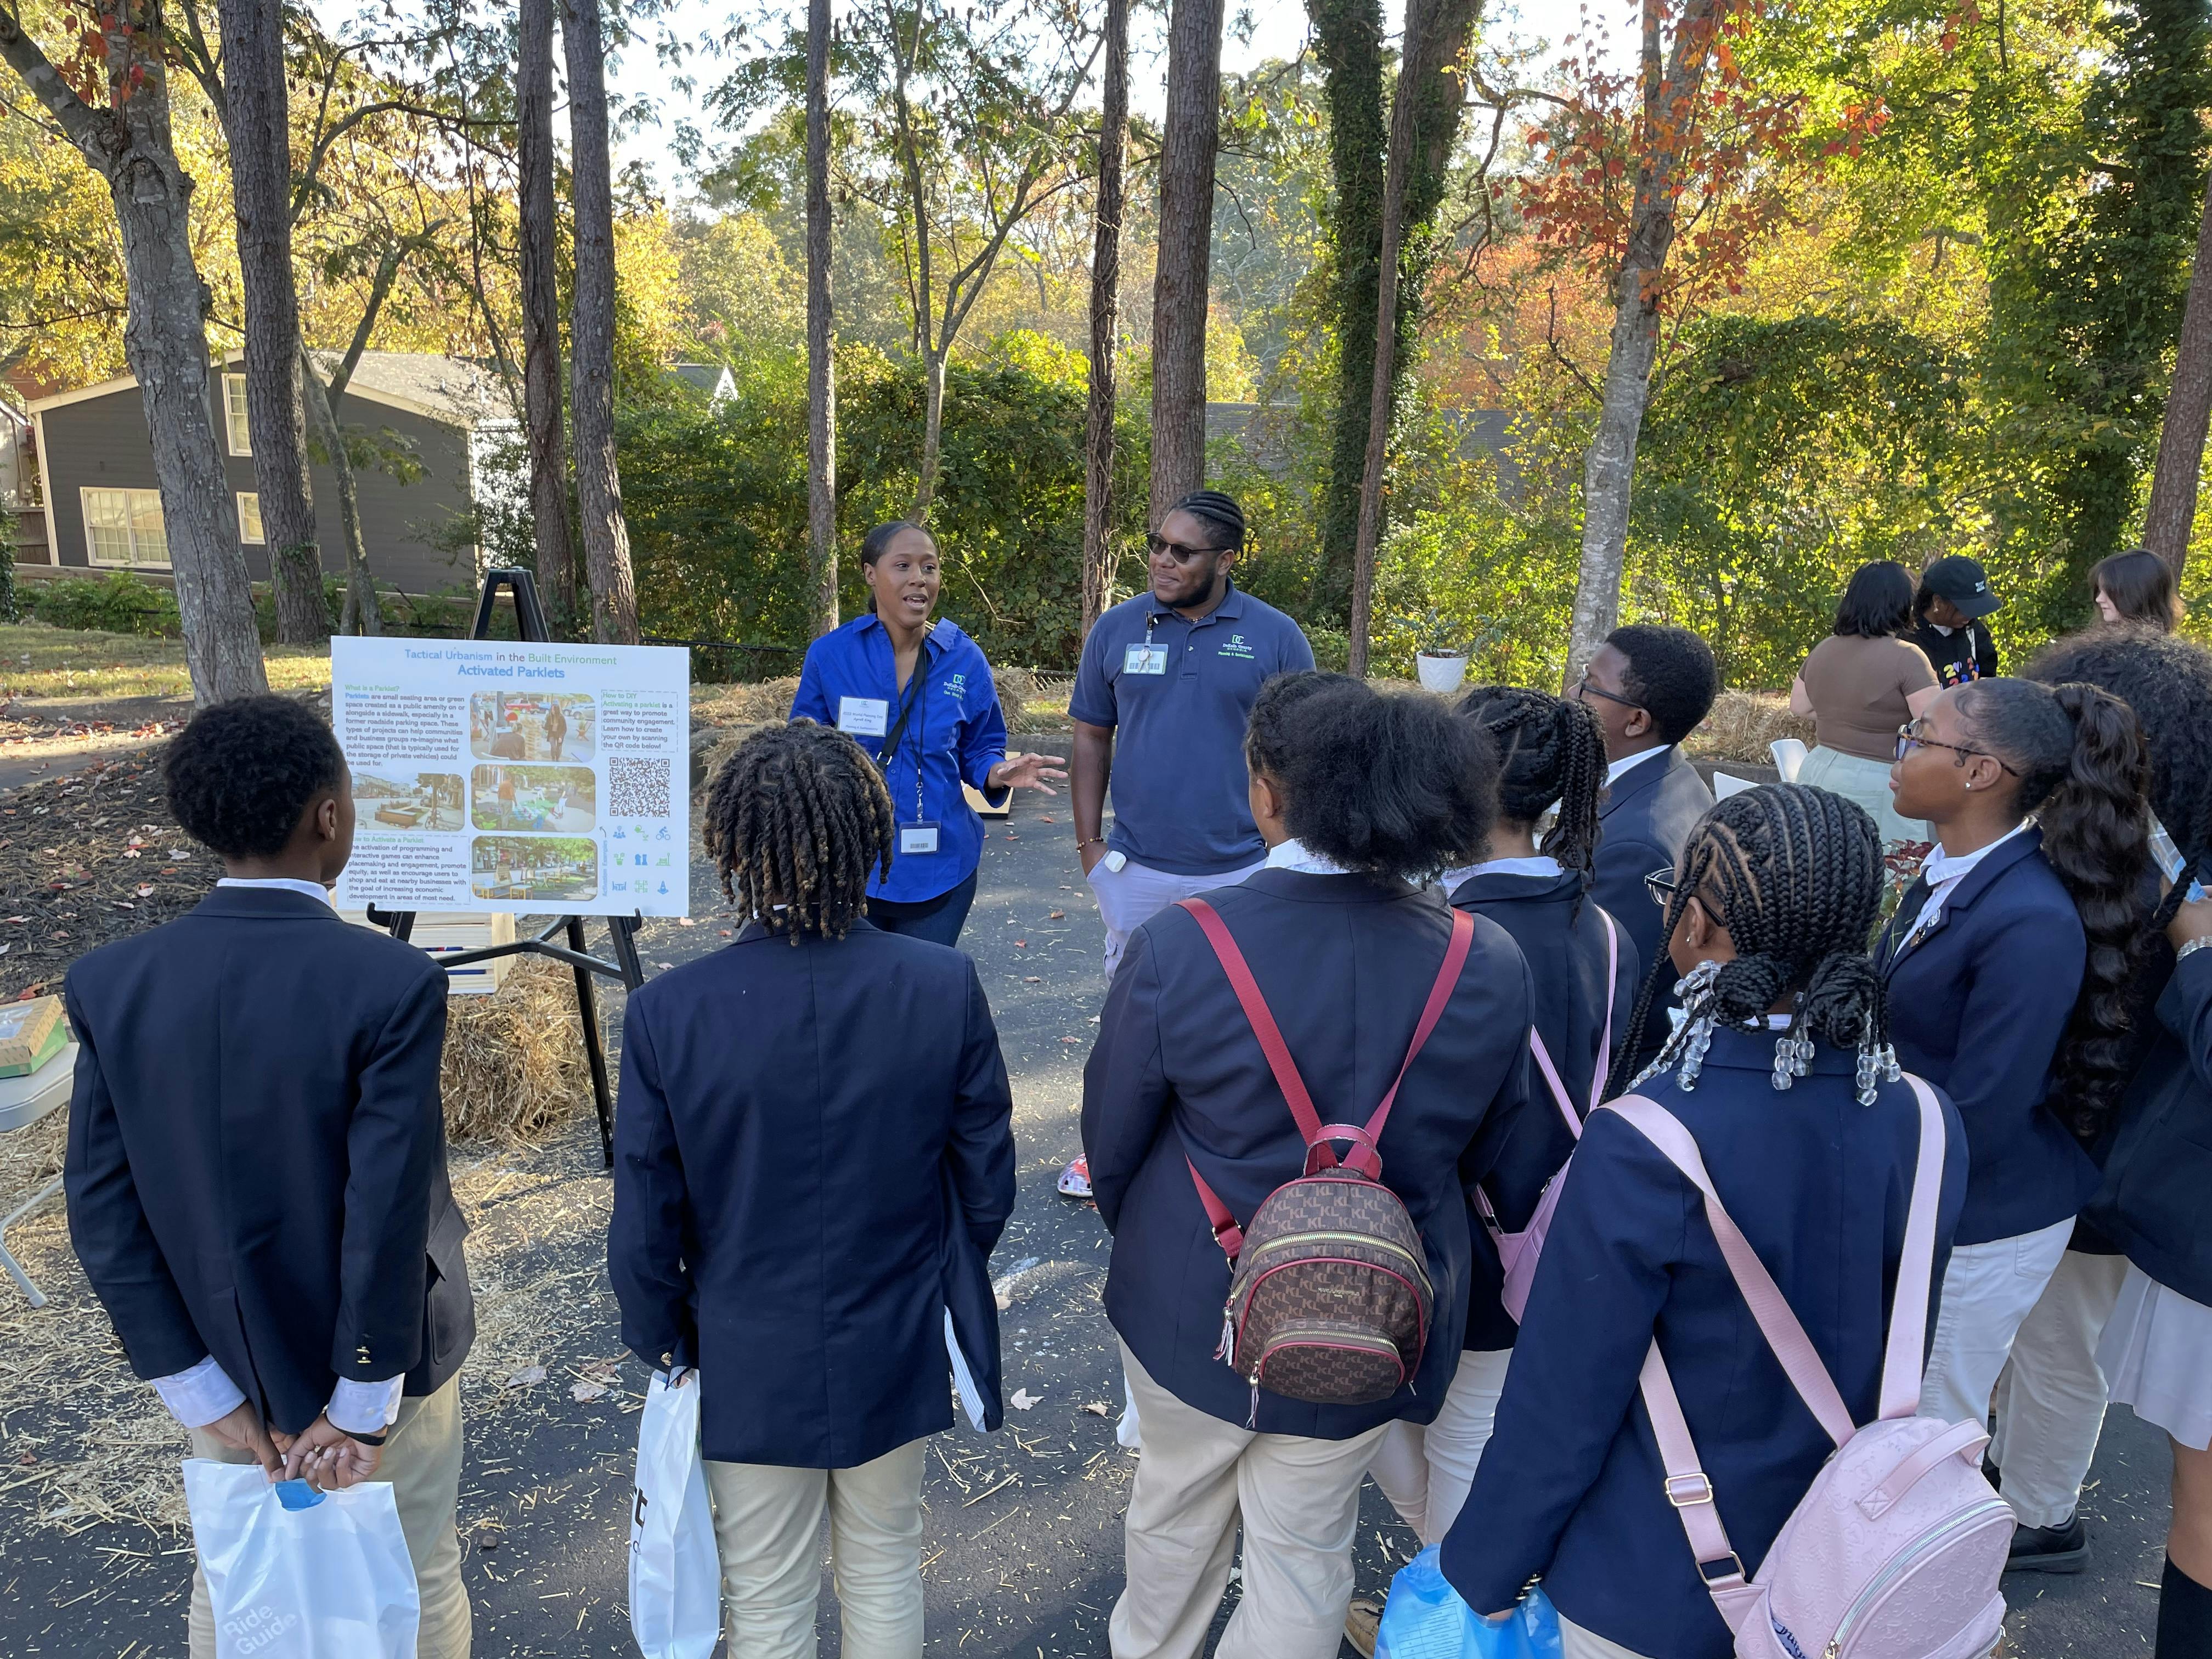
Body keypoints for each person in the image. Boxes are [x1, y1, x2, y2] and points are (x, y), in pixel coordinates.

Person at [1441, 783, 1971, 1659]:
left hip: (1660, 1577)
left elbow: (1563, 1403)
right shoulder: (1928, 1116)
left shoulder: (1647, 1140)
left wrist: (1484, 1574)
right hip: (1853, 1569)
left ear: (1695, 927)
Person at [1081, 673, 1539, 1659]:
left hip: (1190, 1299)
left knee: (1172, 1513)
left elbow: (1112, 1142)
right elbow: (1504, 1158)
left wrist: (1168, 1246)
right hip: (1378, 1314)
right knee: (1305, 1550)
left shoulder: (1180, 944)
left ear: (1266, 791)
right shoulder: (1485, 956)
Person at [63, 696, 475, 1659]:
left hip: (223, 1358)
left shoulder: (114, 981)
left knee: (237, 1575)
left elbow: (102, 1208)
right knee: (414, 1568)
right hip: (382, 1367)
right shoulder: (390, 980)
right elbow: (387, 1204)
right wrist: (355, 1400)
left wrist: (202, 1389)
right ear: (328, 815)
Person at [610, 721, 1017, 1659]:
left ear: (737, 844)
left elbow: (645, 1211)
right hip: (893, 1325)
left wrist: (659, 1328)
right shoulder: (942, 983)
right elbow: (983, 1171)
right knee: (883, 1559)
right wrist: (944, 1266)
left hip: (746, 1341)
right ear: (866, 836)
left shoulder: (671, 1010)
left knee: (764, 1596)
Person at [1368, 686, 1639, 1555]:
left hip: (1447, 1241)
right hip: (1555, 1234)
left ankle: (1444, 1616)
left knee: (1416, 1439)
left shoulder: (1435, 936)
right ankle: (1444, 1592)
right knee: (1471, 1436)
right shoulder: (1608, 932)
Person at [1983, 630, 2212, 1601]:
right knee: (2048, 1328)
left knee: (2056, 1331)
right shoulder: (2163, 866)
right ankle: (2023, 1479)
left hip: (2105, 1145)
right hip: (2117, 1137)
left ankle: (2039, 1509)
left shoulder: (2127, 876)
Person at [1881, 675, 2151, 1442]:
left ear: (1980, 771)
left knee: (1928, 1433)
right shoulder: (1952, 875)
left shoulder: (2028, 919)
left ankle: (1938, 1565)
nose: (1899, 752)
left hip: (1978, 1217)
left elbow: (1982, 1112)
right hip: (1937, 1191)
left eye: (1920, 737)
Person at [1069, 489, 1316, 980]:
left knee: (1240, 1012)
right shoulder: (1116, 628)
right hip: (1133, 870)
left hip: (1243, 870)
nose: (1162, 560)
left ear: (1225, 561)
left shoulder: (1278, 635)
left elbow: (1304, 755)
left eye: (1181, 552)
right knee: (1138, 1017)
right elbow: (1091, 737)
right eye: (1157, 545)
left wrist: (1288, 858)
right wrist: (1089, 847)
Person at [791, 521, 1065, 947]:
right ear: (870, 573)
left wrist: (998, 772)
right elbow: (800, 751)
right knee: (860, 1003)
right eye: (903, 565)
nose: (919, 578)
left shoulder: (964, 659)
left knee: (919, 1001)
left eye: (930, 568)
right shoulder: (831, 656)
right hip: (852, 872)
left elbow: (981, 748)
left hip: (943, 873)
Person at [1572, 623, 1717, 1068]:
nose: (1573, 695)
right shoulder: (1671, 777)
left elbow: (1593, 993)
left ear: (1637, 721)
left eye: (1592, 687)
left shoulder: (1638, 845)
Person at [1788, 559, 1940, 845]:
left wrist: (1842, 716)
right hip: (1876, 778)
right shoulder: (1907, 656)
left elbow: (1800, 706)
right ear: (1902, 605)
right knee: (1885, 876)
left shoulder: (1824, 647)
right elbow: (1935, 724)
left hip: (1817, 768)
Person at [1906, 553, 2002, 687]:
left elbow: (1988, 675)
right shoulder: (1908, 639)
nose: (1970, 617)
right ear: (1938, 602)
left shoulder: (1974, 631)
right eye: (1965, 609)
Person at [2092, 546, 2186, 633]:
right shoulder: (2097, 648)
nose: (2099, 599)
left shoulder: (2166, 651)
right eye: (2100, 590)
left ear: (2136, 595)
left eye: (2109, 591)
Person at [545, 696, 567, 760]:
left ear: (557, 710)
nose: (552, 711)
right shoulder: (549, 717)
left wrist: (561, 737)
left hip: (559, 734)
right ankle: (553, 757)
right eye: (552, 709)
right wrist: (543, 726)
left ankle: (558, 758)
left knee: (559, 748)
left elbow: (564, 729)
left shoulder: (561, 718)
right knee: (553, 747)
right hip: (552, 734)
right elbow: (547, 727)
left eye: (553, 709)